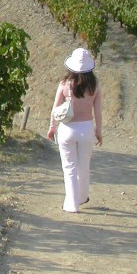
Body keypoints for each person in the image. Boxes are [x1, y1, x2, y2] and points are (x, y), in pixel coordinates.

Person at [47, 47, 103, 213]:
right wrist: (98, 131)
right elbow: (98, 112)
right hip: (86, 128)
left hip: (67, 128)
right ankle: (82, 196)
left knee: (69, 167)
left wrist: (52, 128)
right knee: (84, 165)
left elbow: (55, 108)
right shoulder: (95, 86)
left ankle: (71, 204)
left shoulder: (65, 84)